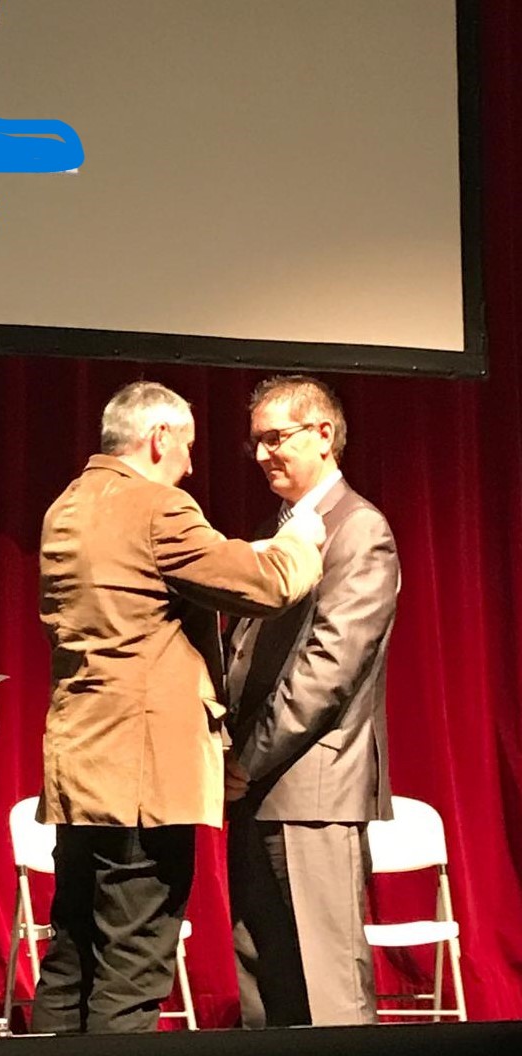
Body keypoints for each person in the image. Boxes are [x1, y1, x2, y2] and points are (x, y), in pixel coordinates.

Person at [31, 380, 325, 1035]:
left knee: (72, 956)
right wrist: (301, 533)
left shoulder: (66, 507)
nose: (190, 464)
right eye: (187, 446)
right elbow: (264, 584)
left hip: (81, 766)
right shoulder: (158, 508)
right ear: (159, 437)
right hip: (143, 773)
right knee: (133, 968)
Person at [225, 375, 399, 1028]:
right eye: (256, 444)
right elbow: (242, 656)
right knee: (266, 993)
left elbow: (326, 671)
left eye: (276, 438)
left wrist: (248, 760)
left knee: (328, 993)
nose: (265, 453)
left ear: (323, 434)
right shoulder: (276, 532)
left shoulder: (359, 531)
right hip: (254, 791)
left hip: (313, 794)